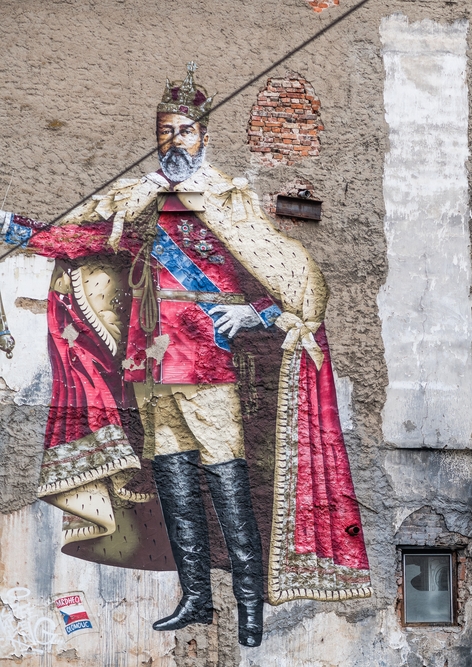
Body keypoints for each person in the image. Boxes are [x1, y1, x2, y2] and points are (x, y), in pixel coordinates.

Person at [0, 63, 370, 647]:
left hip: (208, 365)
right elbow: (86, 239)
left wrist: (259, 314)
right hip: (150, 363)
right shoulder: (140, 199)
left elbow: (288, 276)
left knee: (226, 483)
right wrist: (16, 228)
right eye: (166, 131)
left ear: (203, 135)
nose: (175, 142)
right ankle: (196, 597)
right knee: (174, 484)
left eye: (186, 131)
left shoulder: (229, 200)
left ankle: (248, 606)